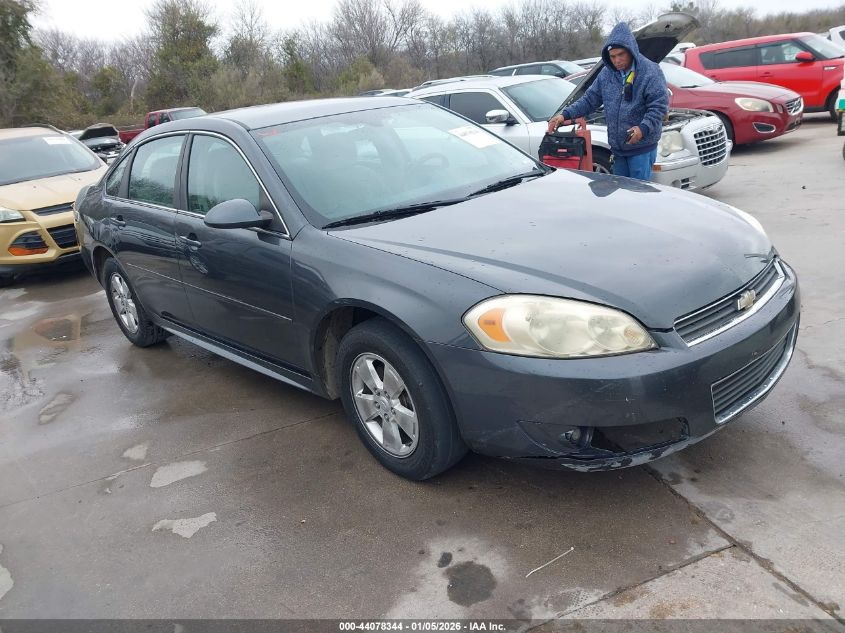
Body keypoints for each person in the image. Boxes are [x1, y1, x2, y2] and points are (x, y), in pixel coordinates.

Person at [547, 22, 668, 181]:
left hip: (641, 150)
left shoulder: (650, 72)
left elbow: (659, 107)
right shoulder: (606, 74)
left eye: (621, 55)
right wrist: (565, 115)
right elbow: (589, 100)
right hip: (618, 150)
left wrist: (642, 129)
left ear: (631, 51)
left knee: (640, 198)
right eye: (612, 56)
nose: (617, 60)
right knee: (620, 197)